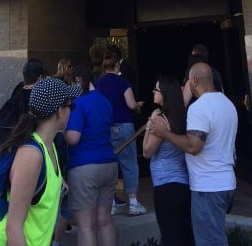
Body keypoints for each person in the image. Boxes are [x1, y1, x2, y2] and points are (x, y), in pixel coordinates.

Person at [149, 63, 237, 246]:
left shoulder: (200, 108)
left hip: (208, 186)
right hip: (226, 182)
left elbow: (193, 146)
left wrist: (165, 133)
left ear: (194, 81)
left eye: (189, 82)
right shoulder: (228, 104)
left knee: (209, 241)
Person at [0, 77, 77, 246]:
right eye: (71, 106)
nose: (72, 111)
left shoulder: (49, 146)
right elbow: (13, 228)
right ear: (59, 111)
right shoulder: (31, 155)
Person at [65, 64, 118, 246]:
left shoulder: (79, 103)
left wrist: (58, 131)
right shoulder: (105, 101)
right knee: (104, 220)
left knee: (85, 224)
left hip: (84, 166)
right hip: (109, 162)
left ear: (79, 80)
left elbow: (73, 138)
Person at [142, 76, 194, 246]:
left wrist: (151, 121)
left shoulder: (161, 120)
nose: (153, 91)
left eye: (156, 89)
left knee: (170, 235)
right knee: (184, 233)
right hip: (183, 183)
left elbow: (147, 151)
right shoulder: (181, 115)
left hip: (165, 184)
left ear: (164, 94)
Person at [95, 51, 146, 215]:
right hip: (124, 126)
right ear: (117, 64)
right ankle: (133, 202)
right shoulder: (123, 82)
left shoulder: (99, 83)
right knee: (129, 164)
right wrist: (138, 104)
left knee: (110, 166)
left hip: (106, 127)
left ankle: (111, 204)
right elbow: (131, 104)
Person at [0, 58, 46, 148]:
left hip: (9, 142)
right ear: (40, 77)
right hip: (25, 144)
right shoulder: (38, 96)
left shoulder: (19, 89)